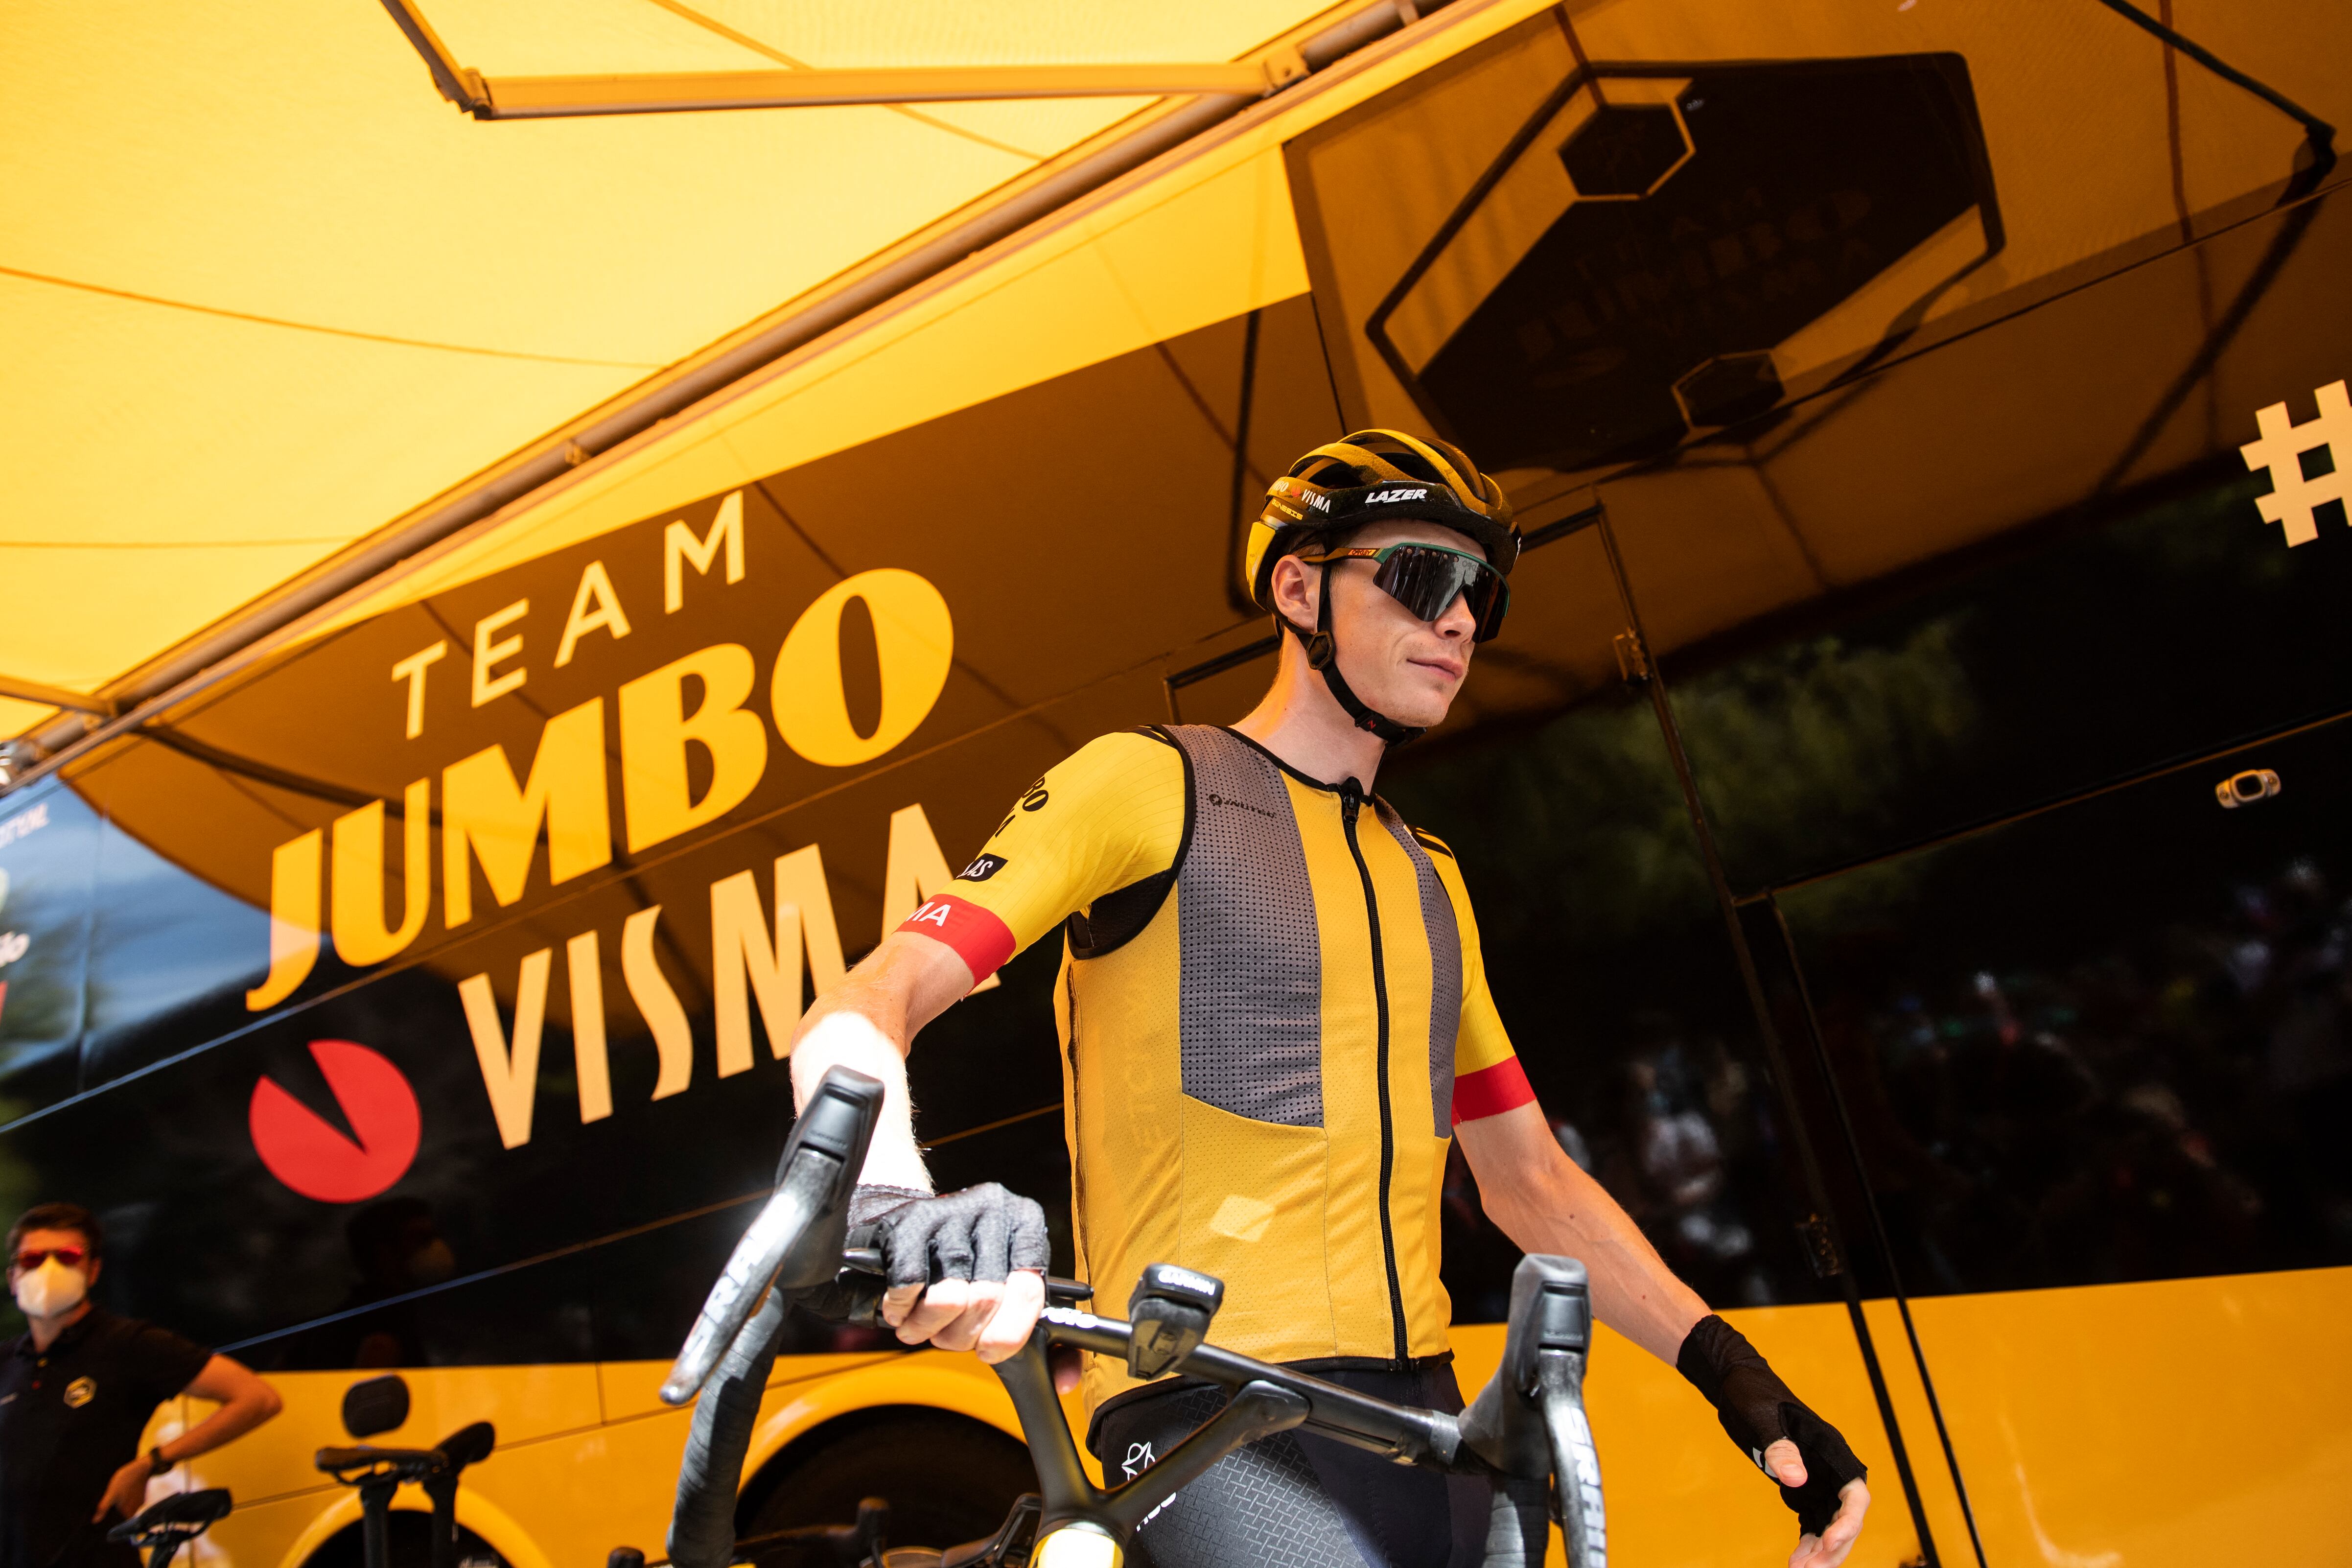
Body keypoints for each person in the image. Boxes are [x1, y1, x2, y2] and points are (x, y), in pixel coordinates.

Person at [786, 431, 1871, 1568]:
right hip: (1210, 1410)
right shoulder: (1148, 782)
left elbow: (1530, 1180)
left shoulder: (1430, 877)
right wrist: (888, 1201)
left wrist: (1732, 1370)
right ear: (1297, 587)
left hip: (1435, 1424)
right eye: (1421, 576)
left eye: (1480, 594)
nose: (1457, 618)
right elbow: (870, 998)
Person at [0, 1204, 283, 1568]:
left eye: (68, 1256)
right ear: (13, 1277)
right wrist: (3, 1484)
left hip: (95, 1558)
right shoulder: (3, 1360)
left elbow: (257, 1399)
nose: (49, 1270)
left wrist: (152, 1463)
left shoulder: (128, 1343)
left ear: (93, 1270)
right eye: (33, 1258)